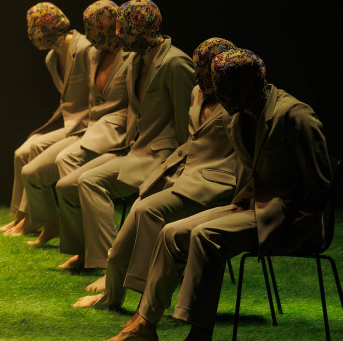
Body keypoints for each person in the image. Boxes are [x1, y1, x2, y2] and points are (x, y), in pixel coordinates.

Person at [106, 48, 332, 341]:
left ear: (251, 83)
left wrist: (297, 226)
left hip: (285, 215)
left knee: (206, 235)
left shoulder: (294, 116)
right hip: (250, 206)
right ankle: (145, 324)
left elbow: (320, 184)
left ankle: (200, 333)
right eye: (219, 90)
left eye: (228, 90)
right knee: (171, 233)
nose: (221, 98)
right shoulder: (238, 115)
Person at [73, 37, 239, 309]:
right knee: (127, 232)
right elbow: (189, 137)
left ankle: (146, 300)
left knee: (148, 209)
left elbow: (244, 155)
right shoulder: (197, 92)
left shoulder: (236, 104)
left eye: (205, 71)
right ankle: (110, 297)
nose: (199, 77)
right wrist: (167, 169)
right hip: (180, 170)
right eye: (198, 70)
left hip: (213, 183)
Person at [55, 0, 195, 275]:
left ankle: (110, 266)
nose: (118, 35)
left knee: (90, 182)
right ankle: (85, 252)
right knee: (66, 185)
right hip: (134, 148)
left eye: (124, 29)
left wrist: (181, 168)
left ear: (142, 30)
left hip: (161, 156)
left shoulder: (175, 63)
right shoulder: (136, 60)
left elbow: (186, 125)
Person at [21, 0, 135, 246]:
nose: (88, 35)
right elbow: (85, 99)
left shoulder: (130, 57)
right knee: (31, 169)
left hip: (114, 133)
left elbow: (135, 105)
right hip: (88, 128)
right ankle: (52, 226)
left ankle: (82, 244)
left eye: (93, 28)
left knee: (65, 160)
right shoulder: (95, 54)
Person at [0, 3, 92, 237]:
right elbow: (66, 99)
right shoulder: (51, 59)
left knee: (37, 147)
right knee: (21, 152)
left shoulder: (86, 49)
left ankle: (40, 220)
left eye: (36, 28)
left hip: (88, 123)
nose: (33, 35)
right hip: (67, 121)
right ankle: (23, 216)